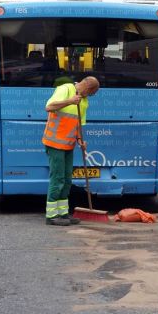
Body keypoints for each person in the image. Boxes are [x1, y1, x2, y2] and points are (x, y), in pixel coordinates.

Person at [42, 76, 100, 226]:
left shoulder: (84, 102)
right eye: (91, 93)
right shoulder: (65, 89)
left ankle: (63, 214)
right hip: (54, 143)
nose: (89, 96)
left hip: (69, 145)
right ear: (87, 88)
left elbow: (79, 124)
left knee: (67, 180)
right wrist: (69, 101)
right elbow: (49, 107)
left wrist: (81, 140)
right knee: (58, 178)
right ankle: (51, 216)